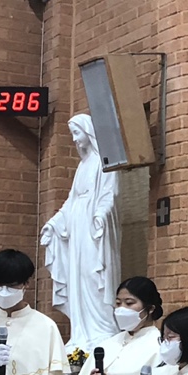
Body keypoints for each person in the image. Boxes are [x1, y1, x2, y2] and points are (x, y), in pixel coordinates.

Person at [41, 113, 121, 352]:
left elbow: (110, 194)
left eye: (77, 133)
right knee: (78, 276)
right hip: (77, 225)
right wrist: (55, 222)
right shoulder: (82, 165)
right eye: (72, 134)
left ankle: (102, 329)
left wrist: (100, 215)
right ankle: (82, 333)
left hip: (93, 228)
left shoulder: (104, 163)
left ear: (89, 132)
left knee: (93, 275)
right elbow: (71, 200)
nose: (75, 139)